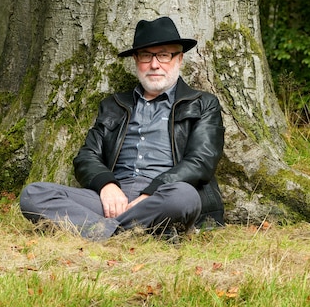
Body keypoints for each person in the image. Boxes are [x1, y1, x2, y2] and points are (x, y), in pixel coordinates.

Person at [20, 17, 225, 240]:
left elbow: (201, 161)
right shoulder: (114, 105)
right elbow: (86, 156)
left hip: (163, 195)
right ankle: (128, 232)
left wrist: (150, 192)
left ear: (180, 59)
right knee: (33, 194)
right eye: (146, 56)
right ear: (136, 60)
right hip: (113, 199)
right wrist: (106, 184)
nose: (154, 65)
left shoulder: (203, 103)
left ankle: (99, 230)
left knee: (185, 196)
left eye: (164, 55)